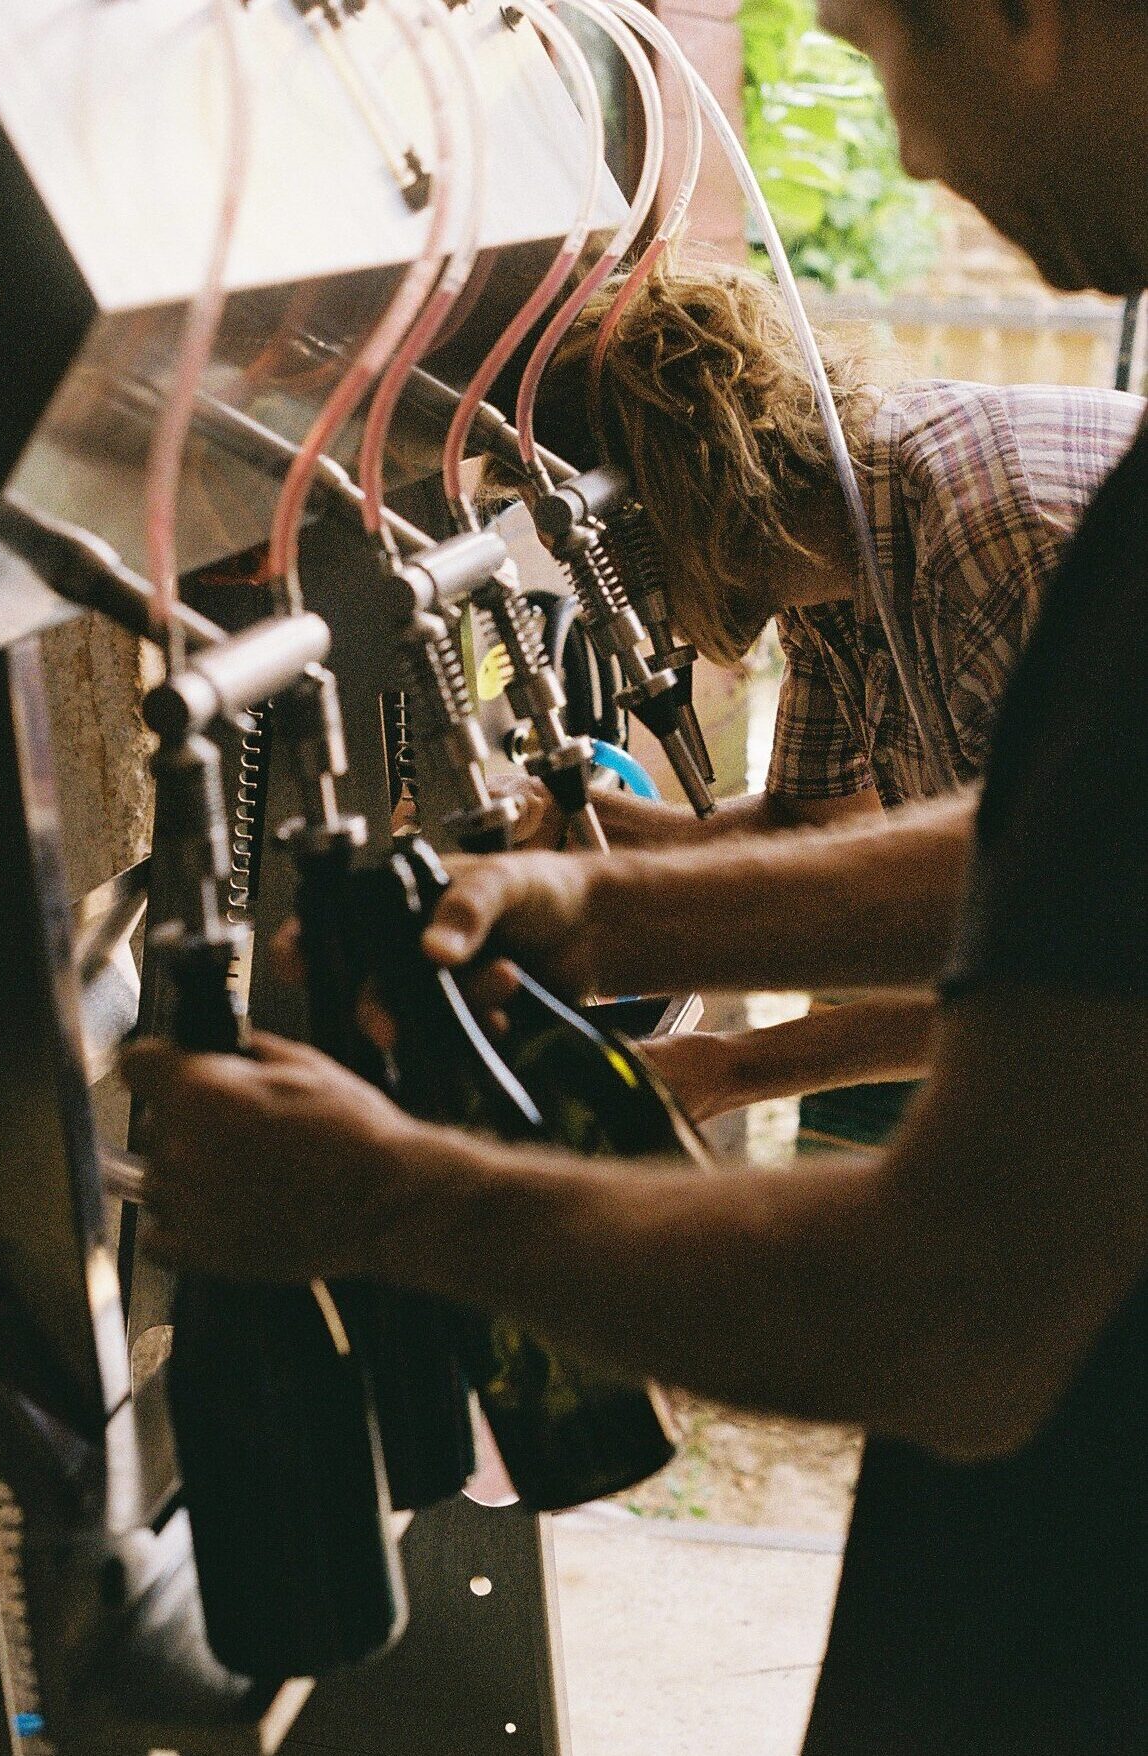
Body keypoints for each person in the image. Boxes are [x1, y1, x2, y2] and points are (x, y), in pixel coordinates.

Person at [126, 0, 1148, 1748]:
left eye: (878, 52)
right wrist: (611, 897)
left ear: (1021, 14)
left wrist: (387, 1196)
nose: (906, 151)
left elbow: (955, 1296)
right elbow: (1050, 856)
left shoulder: (990, 519)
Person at [487, 257, 1142, 1124]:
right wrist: (563, 821)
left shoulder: (988, 543)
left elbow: (1057, 955)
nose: (601, 588)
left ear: (659, 506)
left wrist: (732, 1068)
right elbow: (808, 830)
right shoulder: (843, 561)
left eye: (601, 552)